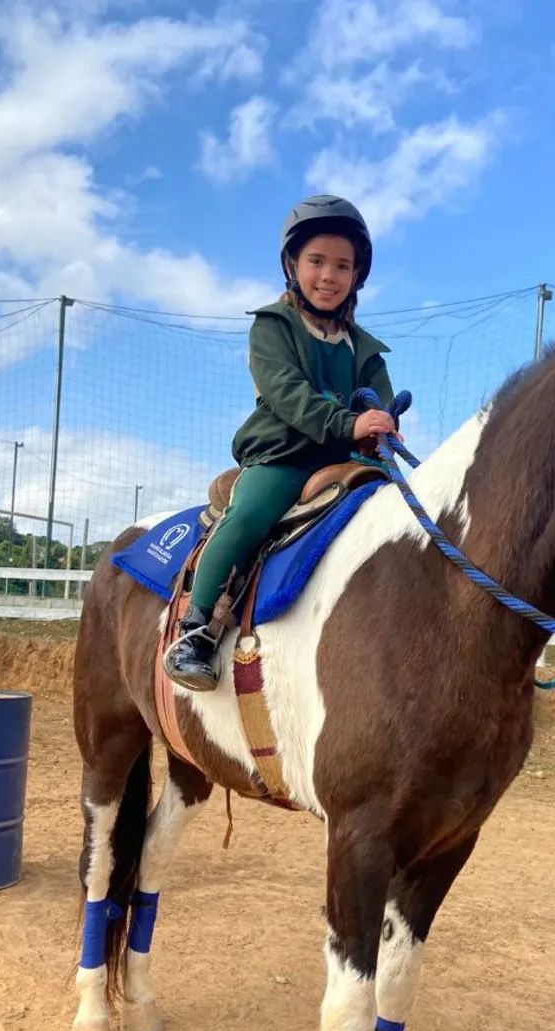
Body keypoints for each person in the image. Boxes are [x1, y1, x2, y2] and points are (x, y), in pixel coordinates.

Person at [163, 194, 399, 691]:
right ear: (293, 264)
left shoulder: (366, 349)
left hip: (346, 461)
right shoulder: (273, 327)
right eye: (317, 261)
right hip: (285, 456)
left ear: (357, 275)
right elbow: (286, 394)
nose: (329, 275)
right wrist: (347, 425)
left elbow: (380, 397)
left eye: (342, 265)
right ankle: (196, 629)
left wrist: (383, 425)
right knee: (249, 515)